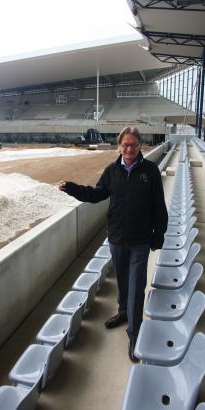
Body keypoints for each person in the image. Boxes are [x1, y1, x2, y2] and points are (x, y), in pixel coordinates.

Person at [59, 126, 168, 362]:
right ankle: (122, 312)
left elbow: (159, 206)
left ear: (140, 146)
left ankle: (135, 335)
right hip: (117, 237)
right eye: (125, 145)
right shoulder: (111, 171)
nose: (129, 149)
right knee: (122, 279)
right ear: (119, 146)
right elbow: (97, 194)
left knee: (136, 287)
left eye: (134, 145)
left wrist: (158, 236)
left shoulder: (150, 171)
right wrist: (72, 188)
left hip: (140, 240)